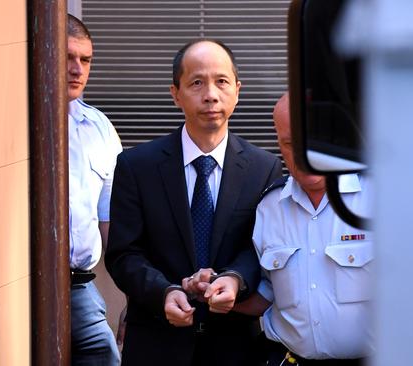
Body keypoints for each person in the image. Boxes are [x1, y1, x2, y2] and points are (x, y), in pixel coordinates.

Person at [105, 39, 283, 365]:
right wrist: (165, 292)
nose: (211, 94)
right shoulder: (136, 166)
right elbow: (123, 254)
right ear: (175, 94)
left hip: (235, 346)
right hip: (156, 344)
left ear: (238, 91)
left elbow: (262, 247)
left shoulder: (264, 167)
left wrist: (235, 279)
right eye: (197, 82)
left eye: (221, 81)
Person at [235, 92, 373, 365]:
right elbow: (268, 291)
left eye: (312, 141)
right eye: (289, 143)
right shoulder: (270, 207)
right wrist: (217, 294)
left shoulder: (378, 197)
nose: (303, 154)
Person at [66, 14, 121, 366]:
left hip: (80, 287)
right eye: (68, 57)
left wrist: (133, 297)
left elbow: (111, 222)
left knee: (105, 354)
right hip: (21, 286)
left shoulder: (98, 127)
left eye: (85, 60)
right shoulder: (16, 119)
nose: (78, 69)